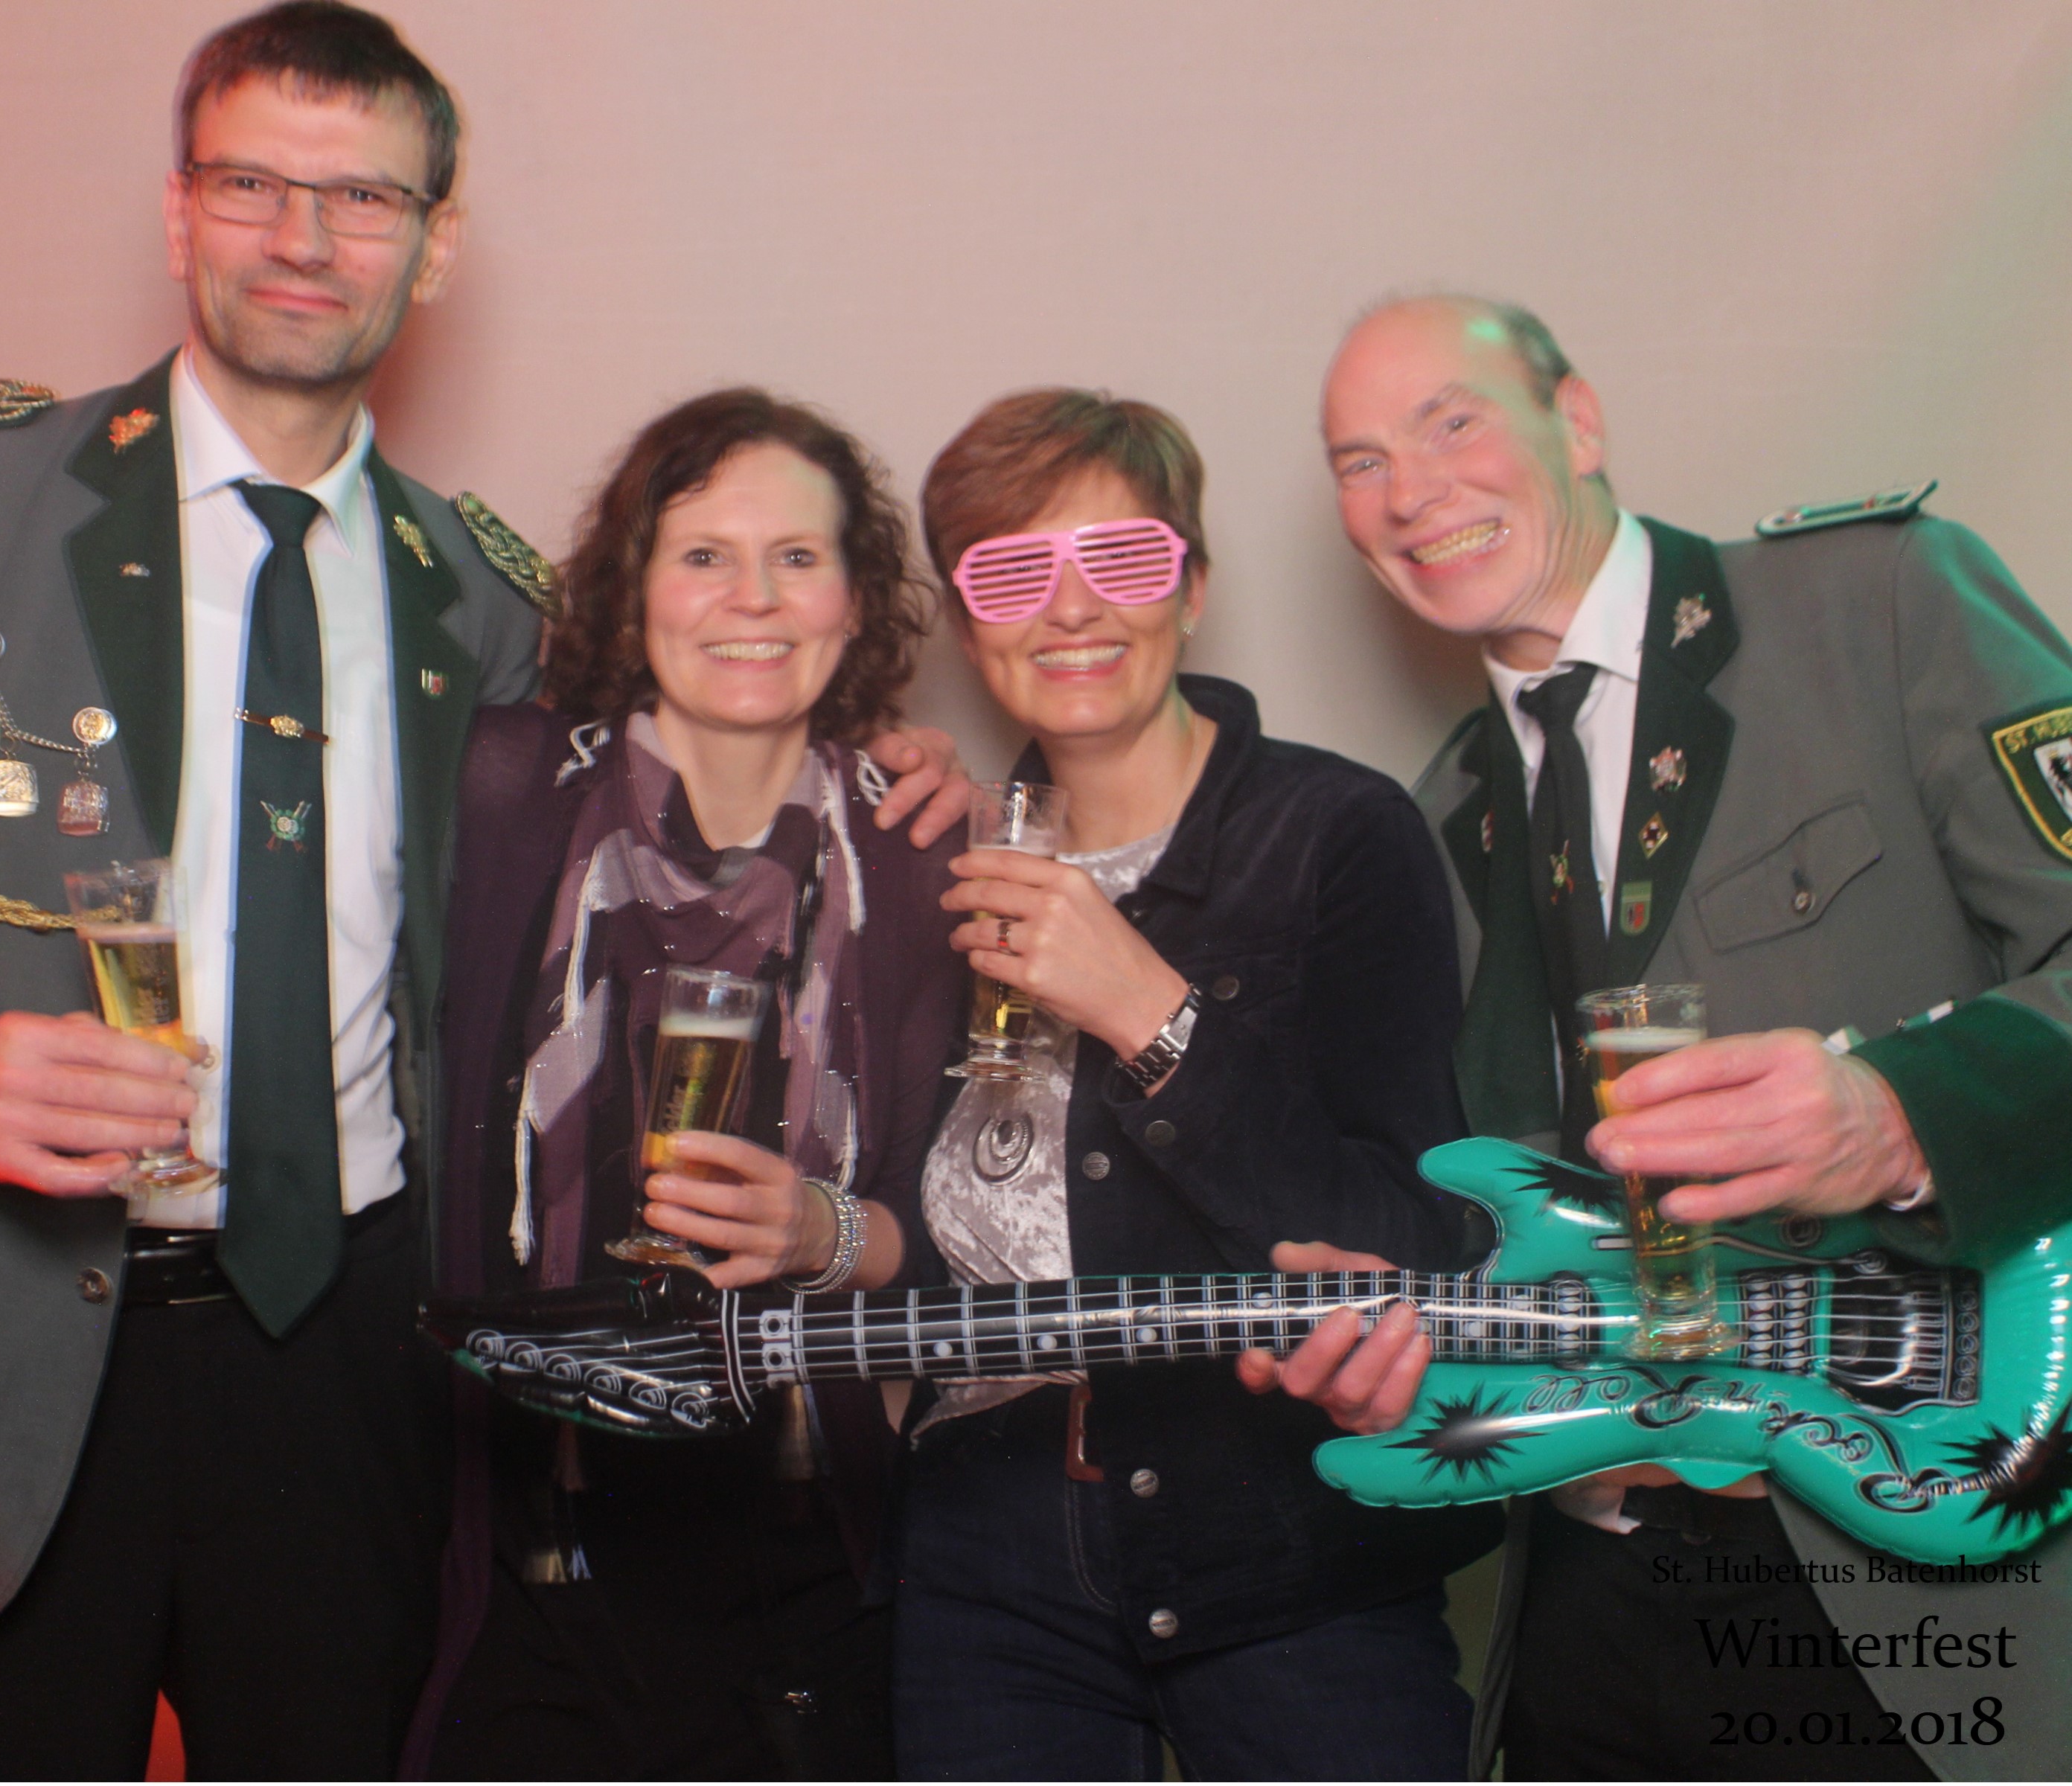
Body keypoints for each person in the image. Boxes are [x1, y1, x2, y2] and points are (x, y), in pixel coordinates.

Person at [0, 7, 968, 1775]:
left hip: (354, 1380)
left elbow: (701, 764)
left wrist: (884, 755)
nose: (304, 237)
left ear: (434, 245)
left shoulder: (490, 607)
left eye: (363, 197)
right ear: (178, 210)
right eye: (253, 184)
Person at [1242, 292, 2072, 1779]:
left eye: (1451, 421)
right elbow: (1514, 1219)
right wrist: (1408, 1338)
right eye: (1358, 462)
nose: (1409, 490)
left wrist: (1903, 1115)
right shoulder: (1434, 821)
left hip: (1923, 1587)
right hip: (1594, 1601)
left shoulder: (1877, 601)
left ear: (1579, 422)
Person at [889, 388, 1501, 1782]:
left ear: (1194, 586)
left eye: (1122, 557)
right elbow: (938, 1236)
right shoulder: (941, 861)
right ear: (968, 627)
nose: (1071, 607)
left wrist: (1149, 1012)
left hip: (1283, 1546)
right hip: (982, 1557)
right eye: (1012, 573)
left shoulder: (1339, 831)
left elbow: (1418, 1244)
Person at [408, 390, 968, 1780]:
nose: (752, 598)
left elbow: (960, 1245)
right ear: (635, 584)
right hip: (533, 1544)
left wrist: (824, 1234)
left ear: (855, 601)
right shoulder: (498, 785)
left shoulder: (920, 858)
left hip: (807, 1552)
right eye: (705, 554)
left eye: (798, 558)